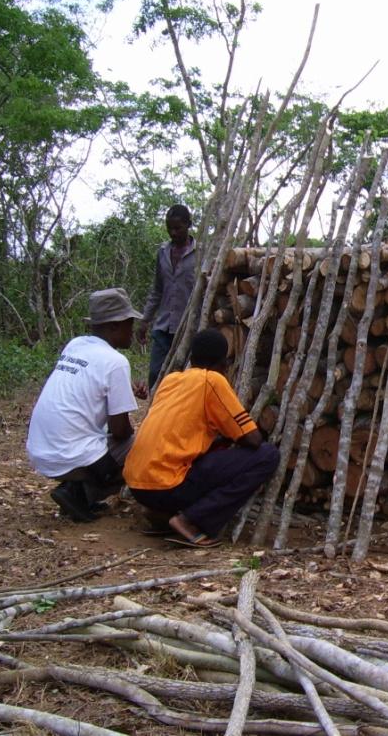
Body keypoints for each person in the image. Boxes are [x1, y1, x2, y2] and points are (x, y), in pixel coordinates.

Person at [123, 329, 279, 546]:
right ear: (224, 364)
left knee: (211, 449)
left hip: (136, 485)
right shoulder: (212, 380)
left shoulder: (171, 380)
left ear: (192, 358)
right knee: (267, 455)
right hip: (167, 487)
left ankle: (159, 515)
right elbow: (252, 439)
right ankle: (193, 520)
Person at [26, 288, 148, 522]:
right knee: (145, 447)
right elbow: (120, 431)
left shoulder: (76, 345)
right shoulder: (116, 362)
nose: (132, 331)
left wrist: (125, 389)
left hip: (40, 451)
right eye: (129, 324)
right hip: (68, 455)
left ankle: (78, 493)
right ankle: (82, 492)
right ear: (114, 326)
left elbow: (87, 379)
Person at [137, 204, 197, 389]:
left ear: (188, 225)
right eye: (169, 228)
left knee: (184, 378)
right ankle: (155, 413)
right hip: (163, 326)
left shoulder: (200, 254)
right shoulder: (163, 253)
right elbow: (157, 290)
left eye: (177, 228)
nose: (173, 233)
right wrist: (144, 320)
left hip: (187, 327)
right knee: (156, 374)